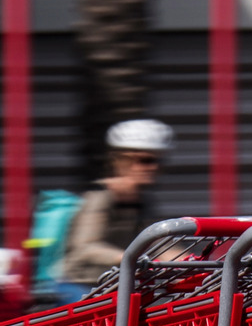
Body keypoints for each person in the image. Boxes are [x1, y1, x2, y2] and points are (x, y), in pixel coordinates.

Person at [57, 119, 174, 302]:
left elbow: (160, 244)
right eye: (145, 160)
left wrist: (192, 259)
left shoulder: (143, 201)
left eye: (158, 160)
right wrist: (128, 256)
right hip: (83, 286)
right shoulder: (100, 197)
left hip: (117, 286)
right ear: (121, 161)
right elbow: (85, 246)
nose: (153, 167)